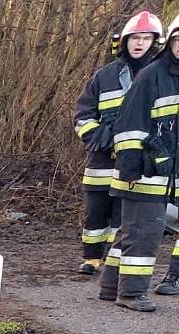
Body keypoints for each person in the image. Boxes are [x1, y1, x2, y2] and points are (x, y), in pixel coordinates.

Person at [74, 11, 162, 275]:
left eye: (146, 39)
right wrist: (96, 137)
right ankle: (91, 258)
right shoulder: (104, 76)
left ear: (154, 43)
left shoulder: (159, 76)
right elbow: (82, 116)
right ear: (124, 41)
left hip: (137, 158)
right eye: (135, 37)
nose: (139, 43)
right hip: (101, 158)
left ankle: (115, 258)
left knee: (124, 212)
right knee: (96, 210)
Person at [105, 12, 179, 311]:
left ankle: (111, 287)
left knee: (129, 232)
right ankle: (132, 294)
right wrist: (130, 166)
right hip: (143, 171)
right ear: (170, 42)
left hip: (165, 173)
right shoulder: (153, 74)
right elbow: (129, 123)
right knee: (144, 234)